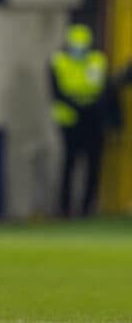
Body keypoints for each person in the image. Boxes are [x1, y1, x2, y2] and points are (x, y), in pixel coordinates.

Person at [50, 24, 108, 217]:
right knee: (69, 164)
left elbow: (104, 89)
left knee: (93, 165)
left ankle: (87, 208)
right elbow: (56, 92)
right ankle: (65, 208)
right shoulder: (59, 61)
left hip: (93, 120)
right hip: (70, 122)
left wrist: (90, 109)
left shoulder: (97, 61)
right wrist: (80, 107)